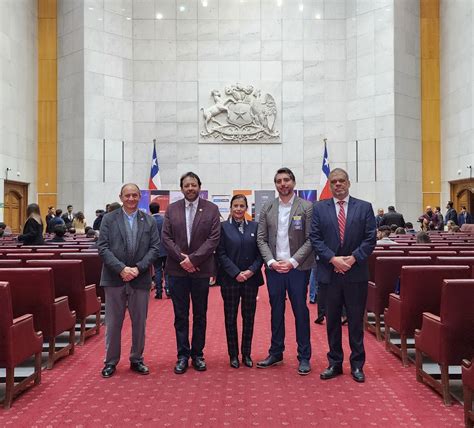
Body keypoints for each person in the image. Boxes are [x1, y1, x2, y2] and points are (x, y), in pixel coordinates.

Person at [310, 168, 376, 383]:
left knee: (356, 322)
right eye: (334, 181)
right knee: (332, 322)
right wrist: (333, 259)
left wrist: (352, 259)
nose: (337, 184)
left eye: (341, 181)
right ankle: (335, 363)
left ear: (349, 182)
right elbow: (315, 238)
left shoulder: (364, 207)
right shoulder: (319, 208)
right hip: (329, 274)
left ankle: (357, 365)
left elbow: (370, 239)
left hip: (355, 273)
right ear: (329, 185)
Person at [97, 183, 160, 379]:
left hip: (140, 279)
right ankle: (110, 361)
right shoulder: (108, 219)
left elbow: (155, 248)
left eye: (134, 195)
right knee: (113, 323)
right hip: (114, 278)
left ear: (140, 197)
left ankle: (136, 358)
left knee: (139, 323)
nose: (131, 199)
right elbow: (103, 248)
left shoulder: (148, 221)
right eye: (127, 195)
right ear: (121, 197)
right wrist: (121, 269)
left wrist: (138, 268)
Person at [256, 167, 314, 376]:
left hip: (297, 268)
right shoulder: (267, 207)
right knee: (276, 311)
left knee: (300, 311)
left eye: (287, 180)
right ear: (275, 184)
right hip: (273, 269)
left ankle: (304, 357)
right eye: (279, 181)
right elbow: (261, 238)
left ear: (294, 182)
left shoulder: (306, 207)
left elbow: (311, 239)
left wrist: (292, 261)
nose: (283, 184)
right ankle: (276, 352)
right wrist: (271, 262)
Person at [162, 172, 220, 374]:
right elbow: (166, 239)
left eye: (193, 185)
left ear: (199, 186)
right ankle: (182, 355)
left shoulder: (212, 209)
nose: (190, 188)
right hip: (176, 270)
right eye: (186, 185)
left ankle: (198, 354)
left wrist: (193, 260)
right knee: (180, 315)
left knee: (200, 314)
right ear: (181, 188)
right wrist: (182, 260)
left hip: (201, 270)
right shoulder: (171, 209)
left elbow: (213, 239)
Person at [217, 194, 264, 369]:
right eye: (235, 206)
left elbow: (261, 253)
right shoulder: (222, 228)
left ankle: (246, 353)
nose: (238, 209)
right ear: (230, 208)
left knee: (249, 317)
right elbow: (220, 253)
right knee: (230, 318)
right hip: (230, 279)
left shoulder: (255, 226)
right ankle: (233, 355)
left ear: (246, 208)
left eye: (241, 206)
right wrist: (236, 273)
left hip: (251, 280)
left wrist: (251, 271)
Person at [149, 202, 169, 299]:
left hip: (155, 250)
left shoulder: (149, 220)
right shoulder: (164, 219)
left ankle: (159, 292)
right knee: (167, 270)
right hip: (166, 249)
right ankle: (168, 290)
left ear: (150, 210)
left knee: (157, 270)